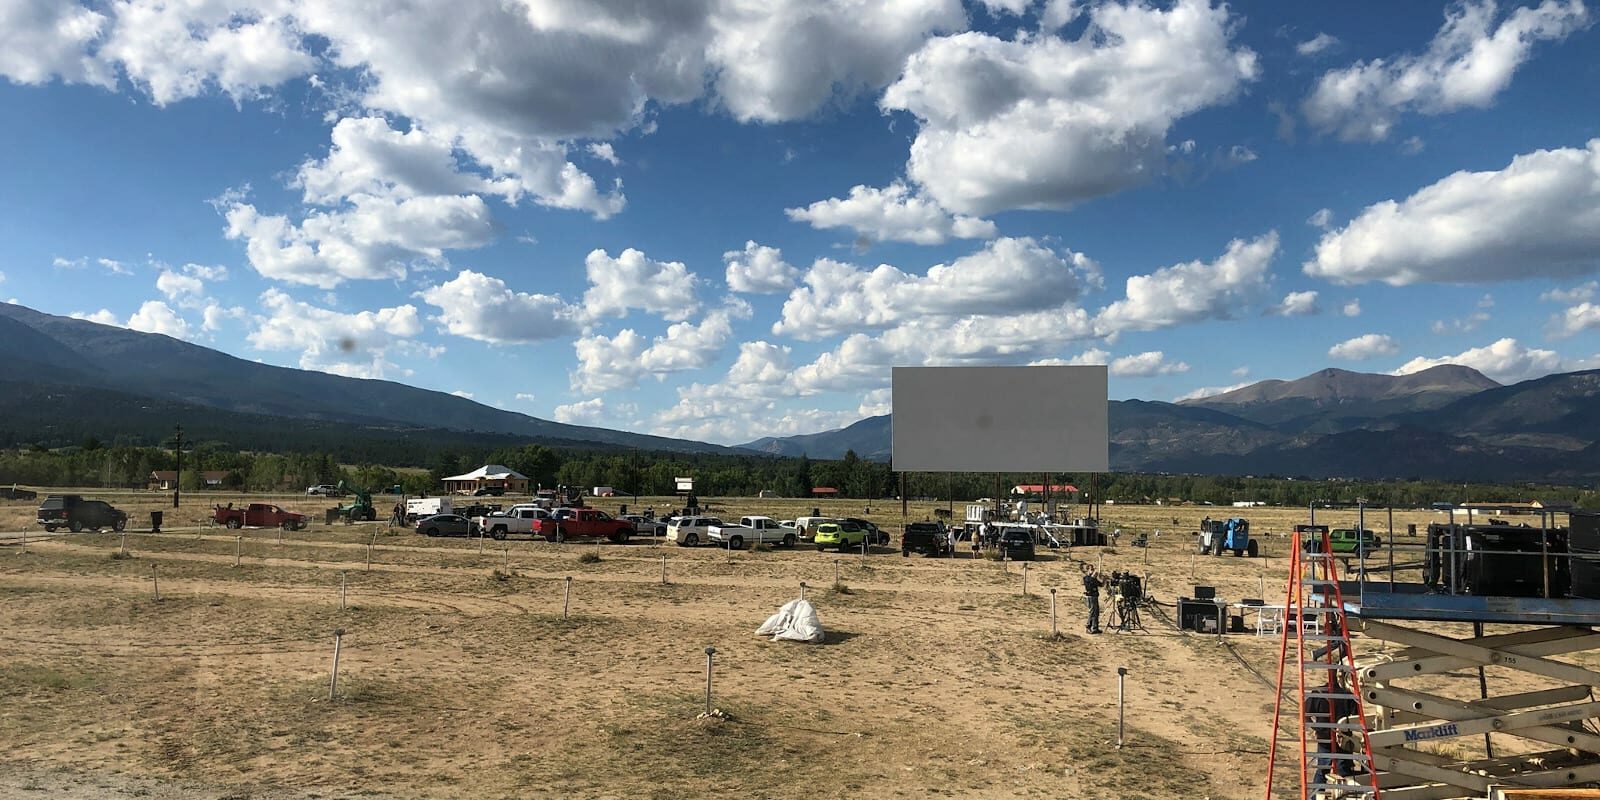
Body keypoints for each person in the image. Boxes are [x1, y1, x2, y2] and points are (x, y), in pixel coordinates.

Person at [1082, 564, 1103, 634]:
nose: (1092, 571)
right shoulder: (1086, 578)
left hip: (1095, 596)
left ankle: (1095, 627)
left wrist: (1104, 578)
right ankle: (1088, 626)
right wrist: (1094, 576)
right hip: (1090, 596)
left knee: (1096, 612)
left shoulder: (1093, 579)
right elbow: (1089, 584)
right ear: (1087, 570)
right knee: (1092, 611)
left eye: (1093, 569)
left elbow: (1101, 584)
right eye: (1091, 569)